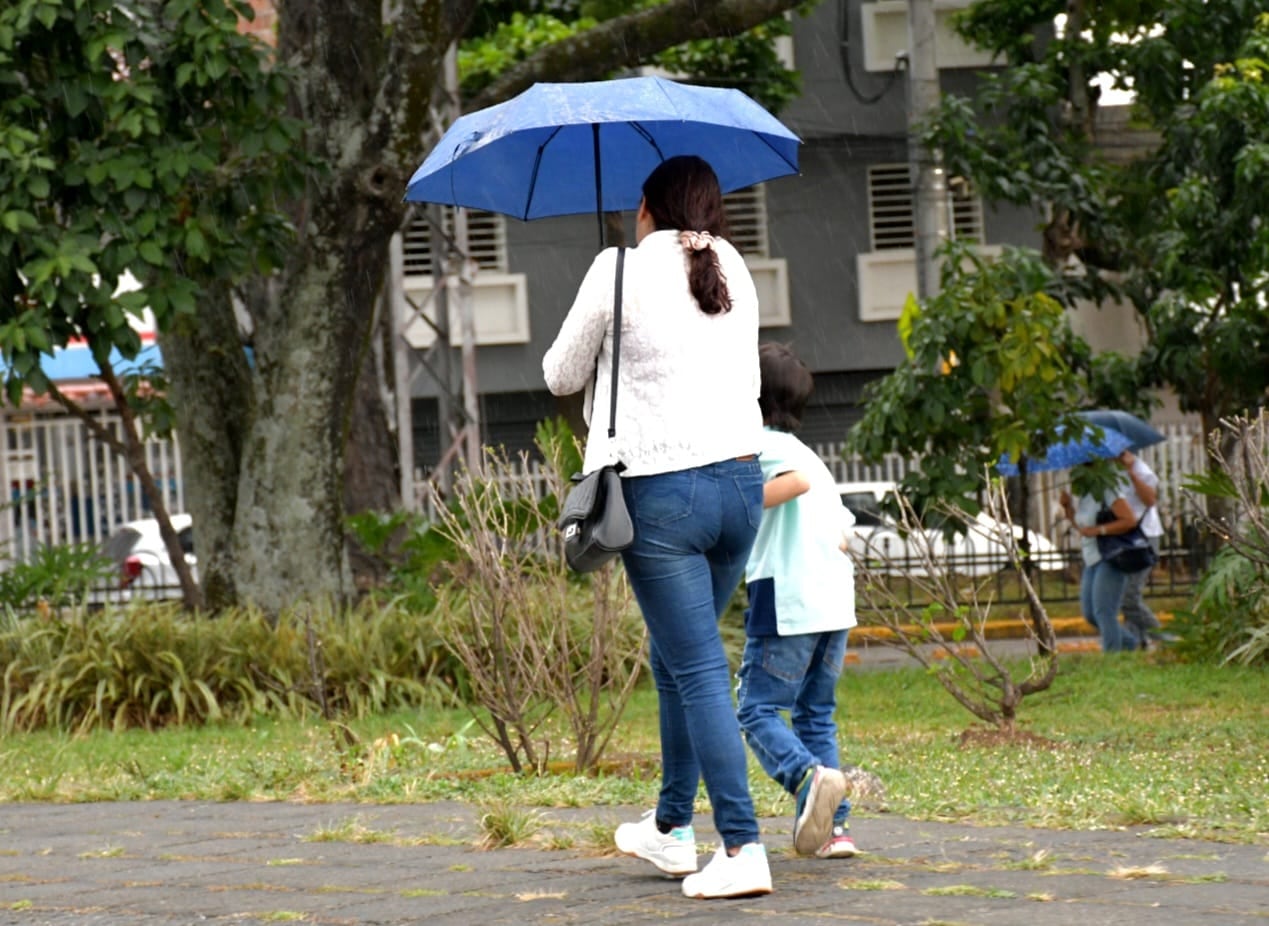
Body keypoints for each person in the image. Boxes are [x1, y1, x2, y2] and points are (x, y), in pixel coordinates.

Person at [542, 155, 771, 900]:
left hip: (664, 492)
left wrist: (607, 303)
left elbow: (558, 375)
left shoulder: (617, 269)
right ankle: (672, 829)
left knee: (698, 668)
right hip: (741, 485)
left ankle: (741, 847)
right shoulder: (731, 262)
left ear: (645, 208)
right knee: (681, 657)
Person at [736, 342, 856, 860]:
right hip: (834, 600)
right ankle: (835, 832)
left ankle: (807, 781)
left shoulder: (754, 445)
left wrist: (735, 503)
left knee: (756, 709)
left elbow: (795, 485)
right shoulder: (808, 453)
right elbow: (846, 530)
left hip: (786, 593)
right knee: (814, 715)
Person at [1058, 471, 1142, 652]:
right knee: (1090, 614)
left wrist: (1100, 530)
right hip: (1091, 558)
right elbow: (1083, 528)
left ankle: (1112, 657)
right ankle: (1129, 643)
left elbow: (1129, 521)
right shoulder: (1086, 496)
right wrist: (1068, 509)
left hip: (1111, 557)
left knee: (1104, 611)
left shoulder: (1107, 491)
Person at [1117, 449, 1166, 647]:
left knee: (1129, 597)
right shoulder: (1111, 471)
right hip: (1125, 537)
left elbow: (1150, 500)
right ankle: (1137, 642)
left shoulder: (1141, 470)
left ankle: (1166, 639)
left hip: (1144, 537)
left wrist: (1131, 472)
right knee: (1126, 593)